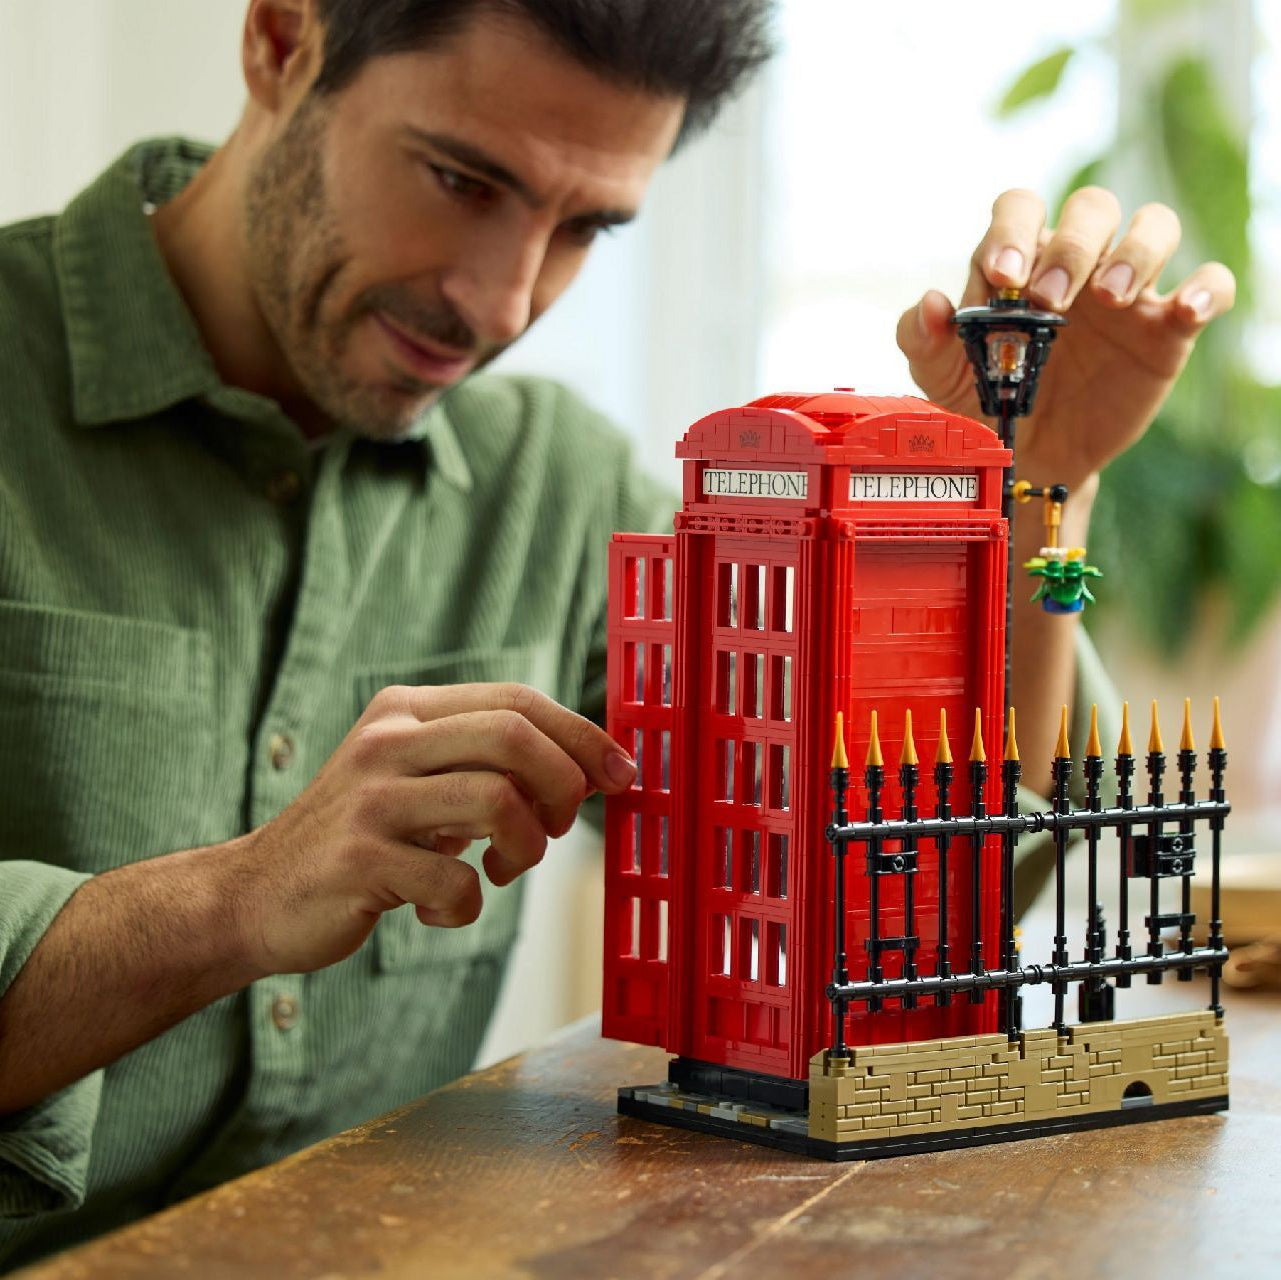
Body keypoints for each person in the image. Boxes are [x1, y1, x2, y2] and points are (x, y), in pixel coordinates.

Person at [0, 0, 1234, 1265]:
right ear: (278, 42)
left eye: (586, 225)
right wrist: (238, 896)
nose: (504, 297)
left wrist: (1030, 486)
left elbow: (914, 865)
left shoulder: (557, 479)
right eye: (460, 178)